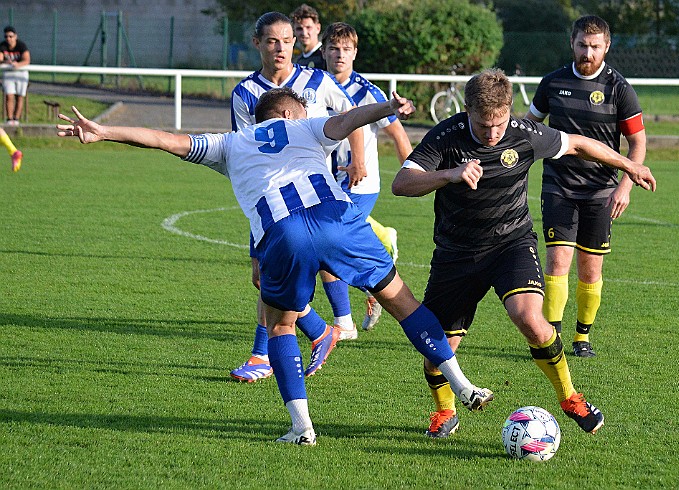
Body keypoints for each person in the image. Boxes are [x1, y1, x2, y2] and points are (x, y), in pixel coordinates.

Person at [56, 88, 495, 445]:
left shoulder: (228, 143)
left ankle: (302, 429)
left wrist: (104, 131)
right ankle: (462, 385)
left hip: (283, 234)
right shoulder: (302, 125)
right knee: (404, 303)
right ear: (287, 113)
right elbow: (346, 122)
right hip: (337, 219)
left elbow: (165, 139)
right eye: (303, 108)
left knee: (281, 326)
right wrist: (387, 107)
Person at [392, 68, 656, 438]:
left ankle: (570, 397)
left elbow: (579, 144)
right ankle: (445, 411)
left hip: (510, 244)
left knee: (530, 318)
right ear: (467, 110)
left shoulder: (525, 134)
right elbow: (401, 184)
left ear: (509, 112)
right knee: (438, 348)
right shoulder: (446, 136)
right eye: (484, 126)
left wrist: (630, 164)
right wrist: (449, 174)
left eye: (499, 124)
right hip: (457, 252)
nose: (493, 133)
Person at [229, 12, 365, 383]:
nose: (281, 48)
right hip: (271, 199)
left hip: (314, 196)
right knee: (263, 277)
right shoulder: (244, 93)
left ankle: (263, 355)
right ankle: (323, 329)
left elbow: (350, 114)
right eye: (272, 41)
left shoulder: (316, 80)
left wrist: (358, 158)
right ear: (257, 44)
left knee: (284, 271)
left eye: (287, 40)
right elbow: (245, 149)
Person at [524, 15, 646, 358]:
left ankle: (582, 338)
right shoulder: (552, 83)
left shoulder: (619, 88)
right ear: (572, 44)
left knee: (591, 268)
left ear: (606, 47)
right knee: (557, 261)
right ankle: (551, 338)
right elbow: (528, 125)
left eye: (594, 46)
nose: (587, 52)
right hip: (558, 186)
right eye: (582, 45)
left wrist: (625, 187)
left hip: (601, 192)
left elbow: (637, 143)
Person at [322, 22, 413, 331]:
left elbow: (399, 136)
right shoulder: (316, 86)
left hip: (360, 185)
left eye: (346, 49)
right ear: (323, 51)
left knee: (325, 249)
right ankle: (375, 272)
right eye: (334, 48)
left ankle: (344, 322)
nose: (340, 55)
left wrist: (413, 174)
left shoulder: (367, 91)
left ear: (355, 53)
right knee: (326, 249)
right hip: (324, 183)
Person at [0, 26, 30, 126]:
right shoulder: (2, 46)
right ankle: (9, 119)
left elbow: (27, 60)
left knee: (20, 97)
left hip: (21, 72)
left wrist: (18, 65)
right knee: (9, 95)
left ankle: (16, 119)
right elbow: (0, 59)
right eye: (6, 36)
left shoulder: (21, 45)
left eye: (10, 36)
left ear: (15, 36)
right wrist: (6, 62)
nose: (8, 38)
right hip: (8, 72)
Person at [290, 4, 326, 70]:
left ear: (318, 28)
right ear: (294, 31)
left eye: (308, 27)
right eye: (299, 29)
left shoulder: (326, 56)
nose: (304, 33)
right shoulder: (297, 62)